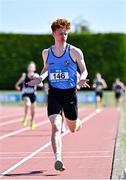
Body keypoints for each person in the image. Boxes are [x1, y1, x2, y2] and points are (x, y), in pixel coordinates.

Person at [27, 18, 89, 171]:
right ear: (53, 33)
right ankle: (58, 158)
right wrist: (40, 78)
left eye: (66, 33)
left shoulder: (74, 51)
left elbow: (84, 69)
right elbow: (46, 69)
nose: (64, 36)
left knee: (73, 127)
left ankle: (77, 122)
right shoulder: (46, 53)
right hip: (54, 93)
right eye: (61, 33)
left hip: (70, 94)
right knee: (55, 126)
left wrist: (81, 78)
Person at [15, 61, 43, 130]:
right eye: (30, 67)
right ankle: (25, 116)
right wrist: (17, 86)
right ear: (28, 68)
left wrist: (36, 81)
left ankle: (32, 121)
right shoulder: (24, 76)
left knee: (33, 111)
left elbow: (41, 85)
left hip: (33, 94)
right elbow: (17, 84)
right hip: (25, 94)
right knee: (28, 103)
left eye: (32, 67)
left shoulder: (36, 75)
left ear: (34, 69)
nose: (31, 68)